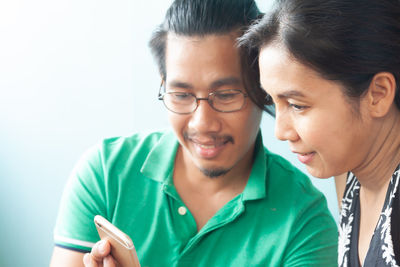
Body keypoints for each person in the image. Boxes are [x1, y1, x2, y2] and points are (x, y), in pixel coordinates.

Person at [49, 0, 338, 266]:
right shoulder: (106, 173)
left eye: (225, 95)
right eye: (181, 94)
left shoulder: (304, 222)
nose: (202, 124)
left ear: (262, 89)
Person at [240, 0, 400, 266]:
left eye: (297, 105)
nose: (281, 131)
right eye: (273, 101)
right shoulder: (349, 173)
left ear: (378, 94)